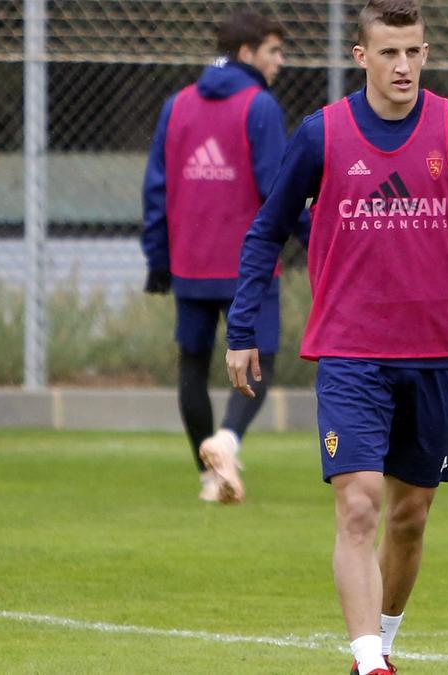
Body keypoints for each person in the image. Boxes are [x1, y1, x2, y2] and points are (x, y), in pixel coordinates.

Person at [225, 1, 448, 671]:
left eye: (413, 51)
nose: (403, 65)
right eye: (388, 52)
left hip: (433, 356)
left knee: (409, 517)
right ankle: (370, 660)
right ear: (360, 56)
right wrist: (242, 325)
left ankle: (384, 636)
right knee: (359, 503)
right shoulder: (322, 134)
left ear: (426, 52)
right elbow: (265, 230)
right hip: (350, 352)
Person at [141, 10, 291, 505]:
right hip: (250, 267)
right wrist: (319, 239)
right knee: (260, 360)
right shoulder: (260, 106)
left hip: (190, 264)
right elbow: (278, 189)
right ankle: (227, 441)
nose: (280, 62)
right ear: (247, 54)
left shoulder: (176, 105)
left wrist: (158, 258)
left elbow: (157, 189)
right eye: (274, 51)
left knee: (192, 365)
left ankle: (208, 475)